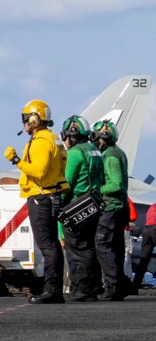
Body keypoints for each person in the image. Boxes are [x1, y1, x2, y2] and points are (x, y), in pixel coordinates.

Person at [5, 97, 66, 304]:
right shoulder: (54, 138)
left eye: (25, 118)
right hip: (51, 195)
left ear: (34, 119)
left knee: (47, 245)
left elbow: (38, 171)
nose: (23, 123)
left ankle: (51, 291)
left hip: (41, 196)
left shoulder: (40, 141)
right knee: (53, 245)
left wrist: (16, 160)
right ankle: (54, 289)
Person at [60, 115, 102, 301]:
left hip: (76, 205)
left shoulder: (75, 153)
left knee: (76, 249)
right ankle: (92, 287)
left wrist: (58, 203)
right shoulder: (95, 150)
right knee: (89, 247)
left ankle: (82, 289)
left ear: (71, 135)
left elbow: (66, 182)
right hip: (93, 204)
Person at [93, 119, 131, 300]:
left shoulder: (110, 157)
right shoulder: (119, 152)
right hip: (120, 209)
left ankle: (112, 287)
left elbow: (116, 184)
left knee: (103, 245)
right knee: (116, 246)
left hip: (111, 208)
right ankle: (120, 285)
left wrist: (97, 190)